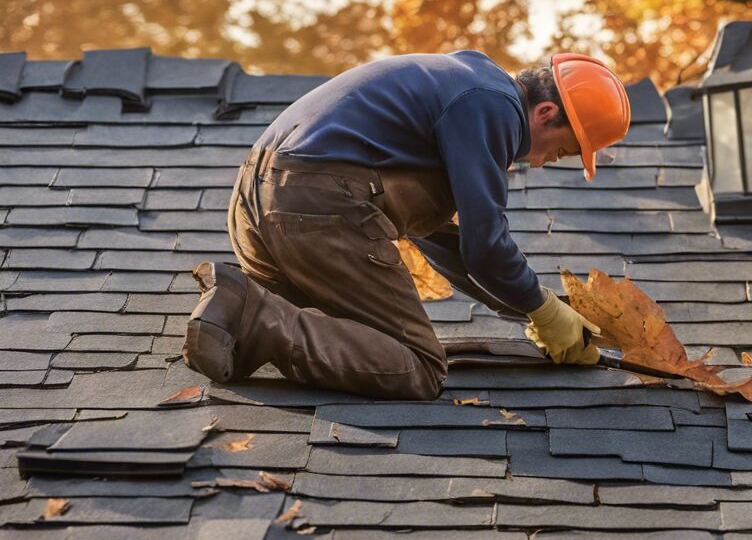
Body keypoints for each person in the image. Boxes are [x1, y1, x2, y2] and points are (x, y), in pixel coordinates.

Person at [180, 51, 631, 400]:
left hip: (261, 202)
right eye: (565, 150)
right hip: (318, 207)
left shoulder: (464, 86)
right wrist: (544, 308)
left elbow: (441, 238)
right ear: (547, 113)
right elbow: (486, 246)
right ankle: (257, 317)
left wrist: (529, 310)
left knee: (345, 337)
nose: (549, 161)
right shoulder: (493, 108)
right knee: (418, 366)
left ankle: (237, 315)